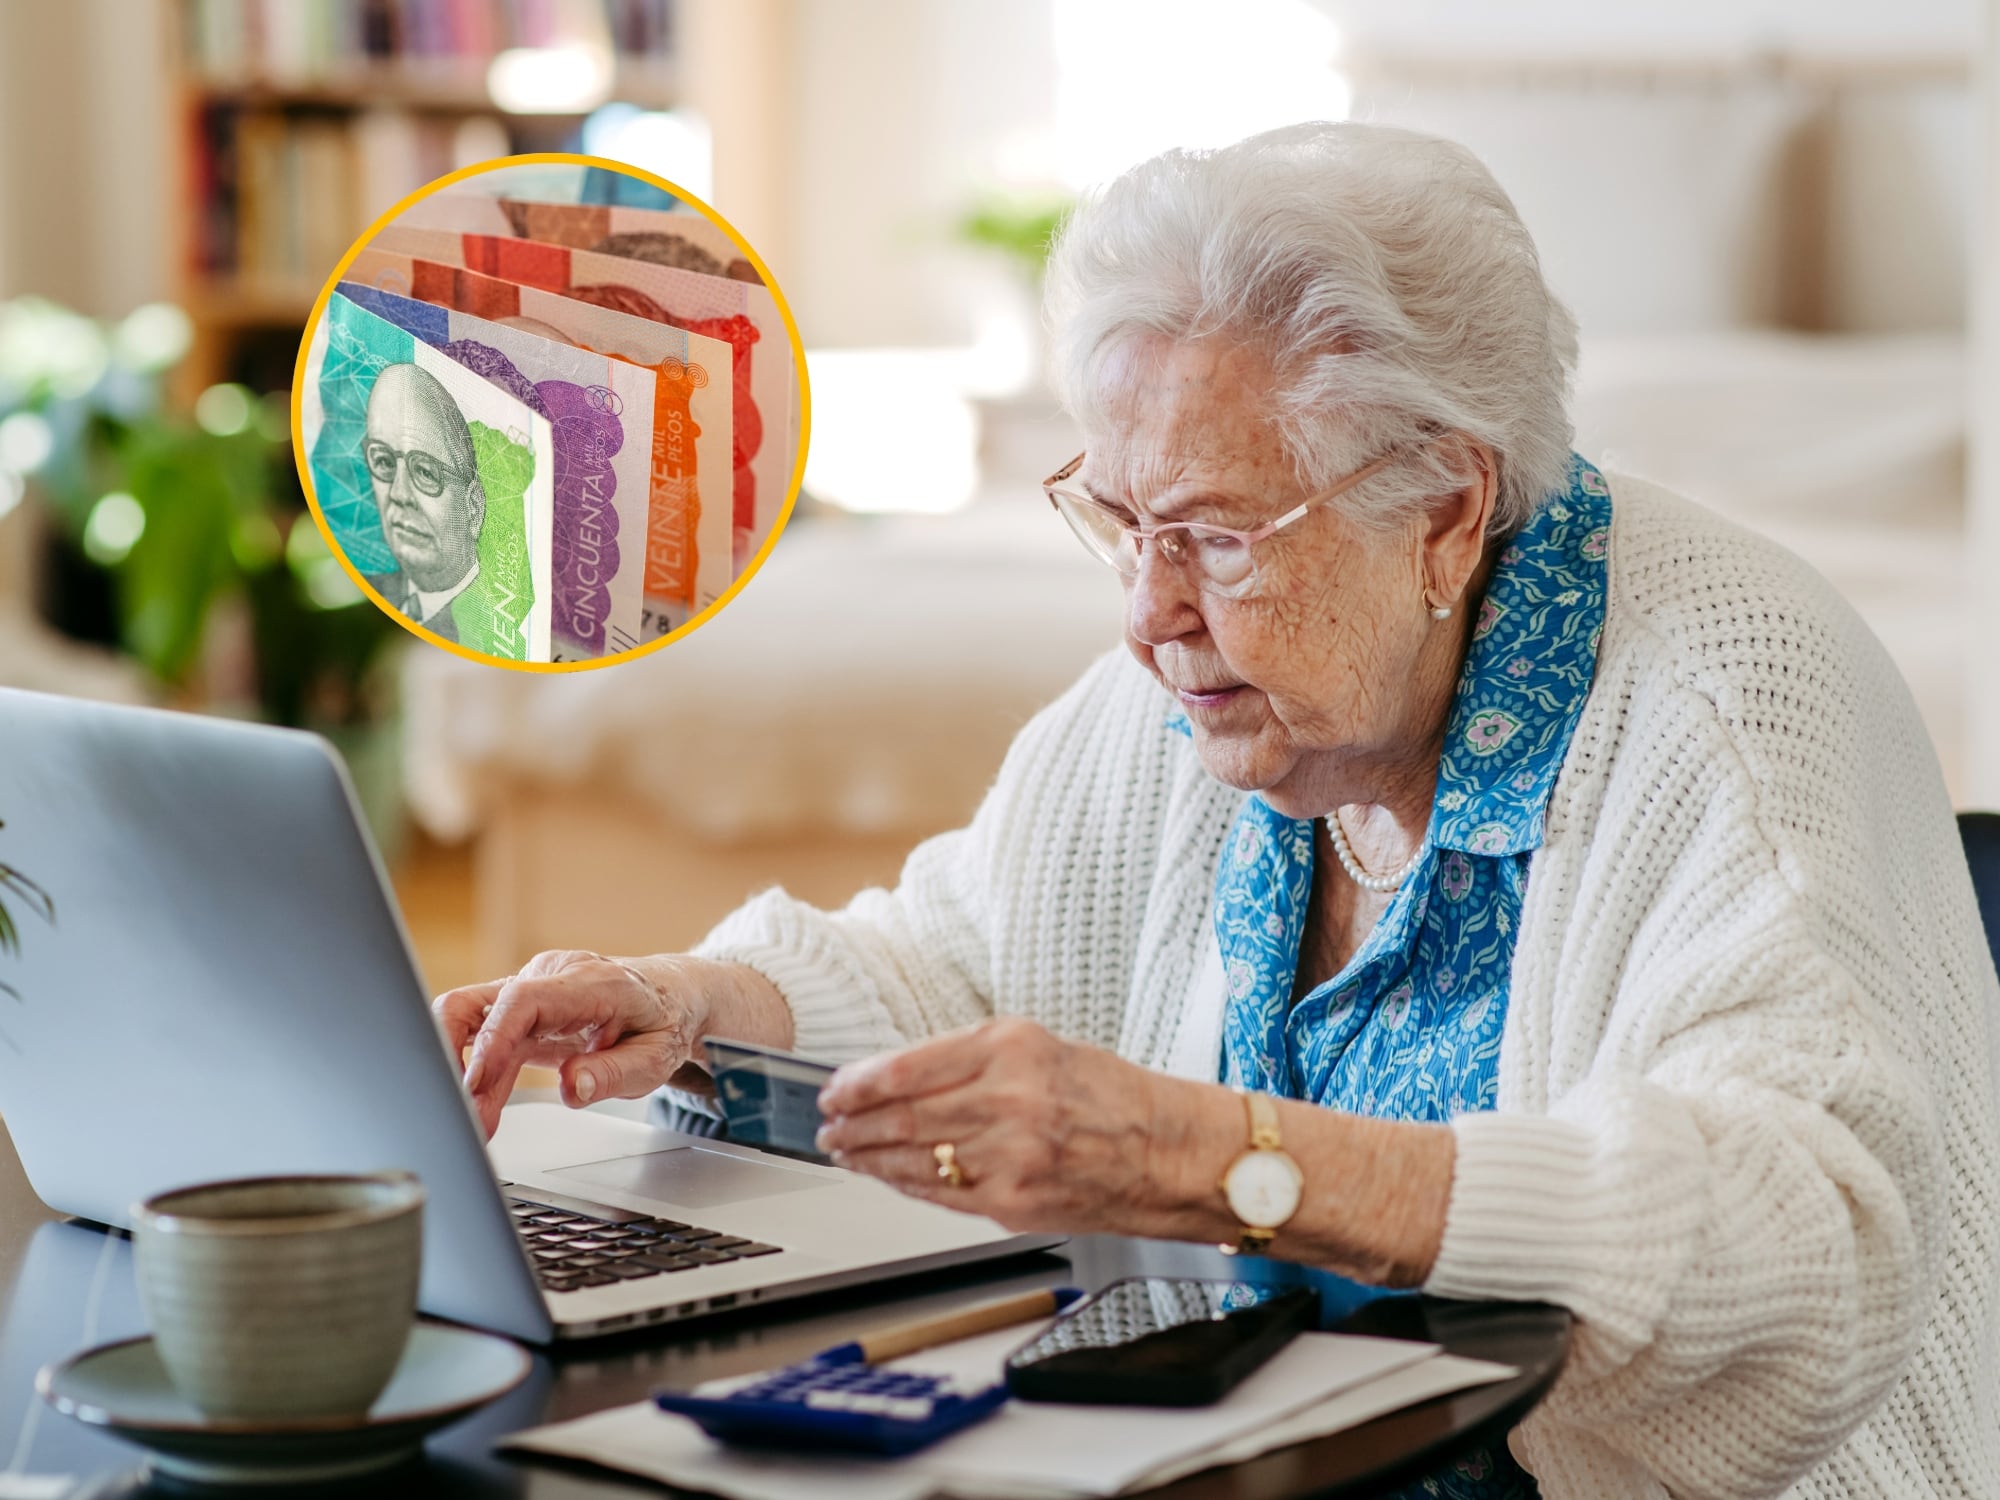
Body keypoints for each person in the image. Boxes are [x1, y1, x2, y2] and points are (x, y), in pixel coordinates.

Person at [434, 123, 2000, 1498]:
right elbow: (967, 960)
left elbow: (1811, 1241)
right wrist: (687, 1006)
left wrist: (1218, 1158)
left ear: (1446, 512)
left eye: (1216, 535)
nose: (1146, 614)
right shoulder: (1226, 680)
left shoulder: (1724, 705)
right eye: (1118, 519)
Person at [362, 362, 485, 641]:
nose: (399, 494)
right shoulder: (371, 590)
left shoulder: (490, 625)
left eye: (426, 472)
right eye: (383, 461)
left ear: (474, 506)